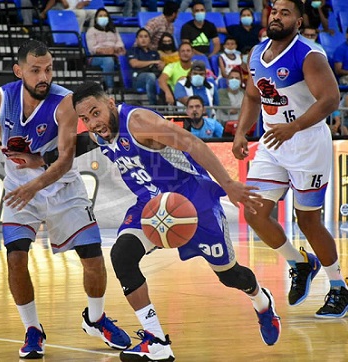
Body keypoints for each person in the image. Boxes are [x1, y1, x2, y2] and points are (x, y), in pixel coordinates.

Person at [71, 81, 280, 360]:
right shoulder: (99, 135)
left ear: (110, 103)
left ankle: (262, 301)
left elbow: (192, 143)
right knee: (122, 255)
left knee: (230, 276)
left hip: (193, 203)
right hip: (152, 205)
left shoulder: (139, 122)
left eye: (95, 113)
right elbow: (73, 146)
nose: (91, 123)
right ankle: (156, 341)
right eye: (84, 118)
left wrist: (228, 183)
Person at [0, 39, 131, 359]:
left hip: (63, 189)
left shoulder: (65, 102)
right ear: (19, 71)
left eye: (49, 69)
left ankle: (96, 319)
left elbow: (66, 160)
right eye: (36, 70)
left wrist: (35, 185)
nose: (44, 76)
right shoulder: (0, 100)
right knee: (15, 258)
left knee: (94, 259)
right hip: (20, 191)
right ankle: (32, 329)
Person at [232, 0, 348, 318]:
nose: (277, 16)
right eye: (274, 11)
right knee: (254, 211)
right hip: (273, 142)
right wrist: (241, 132)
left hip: (307, 143)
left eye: (286, 12)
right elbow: (253, 95)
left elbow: (331, 99)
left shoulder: (308, 55)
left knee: (307, 220)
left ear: (298, 22)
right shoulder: (257, 53)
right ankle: (300, 262)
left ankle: (338, 287)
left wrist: (294, 127)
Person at [86, 8, 126, 93]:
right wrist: (107, 51)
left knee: (125, 59)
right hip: (97, 57)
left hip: (114, 54)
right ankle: (110, 87)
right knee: (108, 60)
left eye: (105, 16)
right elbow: (92, 48)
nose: (103, 17)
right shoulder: (91, 31)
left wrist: (115, 49)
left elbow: (120, 43)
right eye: (100, 16)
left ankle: (127, 87)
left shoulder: (113, 30)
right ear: (96, 18)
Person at [127, 28, 164, 105]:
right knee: (150, 76)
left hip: (154, 77)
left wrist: (161, 65)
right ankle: (153, 104)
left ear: (150, 39)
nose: (143, 39)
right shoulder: (132, 50)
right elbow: (134, 63)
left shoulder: (154, 53)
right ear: (137, 39)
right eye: (141, 37)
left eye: (146, 36)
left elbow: (159, 67)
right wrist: (153, 62)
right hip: (137, 78)